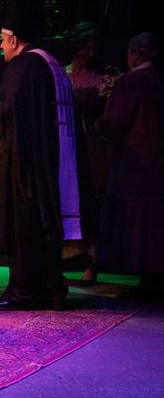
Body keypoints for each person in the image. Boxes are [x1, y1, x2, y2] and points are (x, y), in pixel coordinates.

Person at [0, 0, 92, 311]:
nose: (0, 47)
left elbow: (11, 111)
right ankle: (52, 289)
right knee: (44, 227)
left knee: (24, 226)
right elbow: (31, 110)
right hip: (51, 163)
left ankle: (23, 292)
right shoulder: (50, 63)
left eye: (2, 40)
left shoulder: (21, 66)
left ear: (14, 39)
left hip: (25, 167)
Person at [96, 33, 164, 300]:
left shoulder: (132, 81)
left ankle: (148, 281)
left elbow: (115, 122)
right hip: (157, 161)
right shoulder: (159, 79)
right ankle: (155, 279)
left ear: (135, 54)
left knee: (140, 222)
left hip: (137, 163)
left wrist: (99, 125)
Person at [61, 21, 115, 285]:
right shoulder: (63, 74)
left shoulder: (103, 78)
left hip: (94, 145)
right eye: (87, 48)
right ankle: (63, 259)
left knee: (95, 200)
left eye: (95, 48)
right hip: (68, 143)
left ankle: (93, 264)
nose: (92, 53)